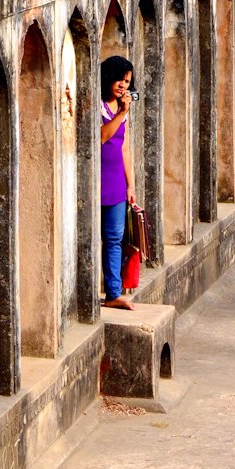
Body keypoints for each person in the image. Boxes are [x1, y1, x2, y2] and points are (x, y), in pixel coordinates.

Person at [99, 54, 137, 310]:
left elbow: (123, 148)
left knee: (114, 238)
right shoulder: (99, 105)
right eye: (119, 80)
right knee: (94, 237)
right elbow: (101, 137)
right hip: (96, 181)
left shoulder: (122, 111)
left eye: (127, 82)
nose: (123, 86)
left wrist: (130, 184)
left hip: (115, 184)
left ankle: (113, 293)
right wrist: (121, 113)